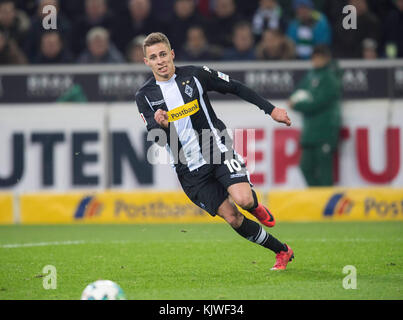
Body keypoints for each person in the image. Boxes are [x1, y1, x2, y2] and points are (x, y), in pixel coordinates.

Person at [135, 32, 294, 271]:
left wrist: (270, 110)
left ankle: (254, 206)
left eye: (163, 54)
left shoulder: (196, 75)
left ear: (172, 54)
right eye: (154, 57)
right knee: (232, 218)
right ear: (146, 62)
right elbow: (157, 139)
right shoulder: (144, 96)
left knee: (243, 199)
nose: (160, 61)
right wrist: (161, 125)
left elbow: (235, 87)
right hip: (186, 166)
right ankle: (282, 250)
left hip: (215, 147)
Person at [288, 45, 342, 186]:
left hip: (325, 129)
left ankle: (327, 202)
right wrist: (297, 101)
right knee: (305, 167)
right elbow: (298, 92)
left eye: (320, 57)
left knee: (325, 170)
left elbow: (318, 102)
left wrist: (298, 104)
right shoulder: (311, 75)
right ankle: (317, 198)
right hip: (310, 131)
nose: (316, 60)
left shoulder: (330, 78)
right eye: (314, 57)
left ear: (326, 58)